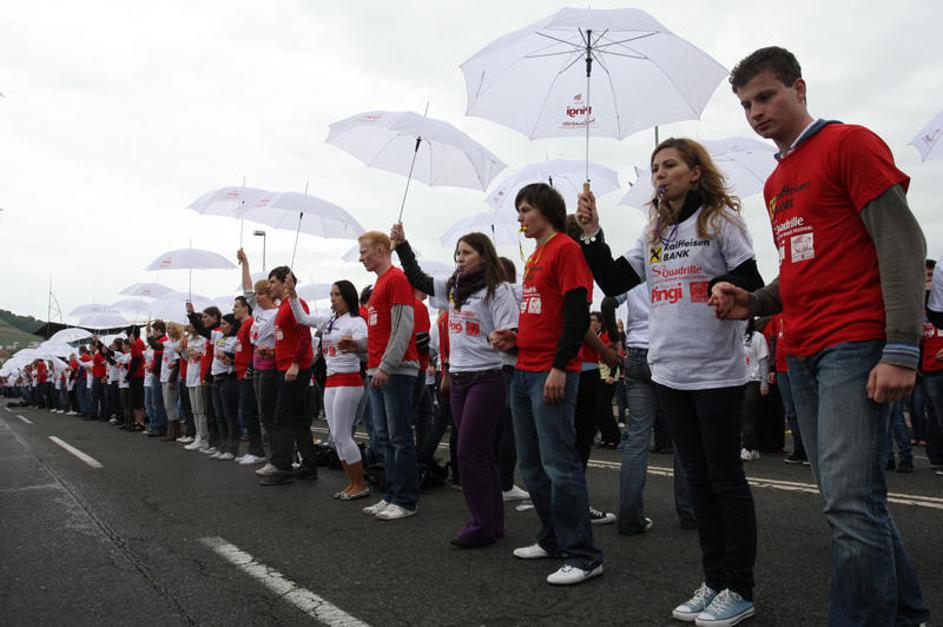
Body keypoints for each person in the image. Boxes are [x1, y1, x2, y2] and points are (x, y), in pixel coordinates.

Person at [712, 46, 928, 625]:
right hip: (801, 351)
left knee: (849, 503)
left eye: (766, 97)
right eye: (746, 105)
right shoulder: (775, 181)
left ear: (799, 89)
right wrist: (754, 301)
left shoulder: (850, 144)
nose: (756, 112)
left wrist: (901, 346)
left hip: (854, 343)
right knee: (851, 501)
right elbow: (801, 268)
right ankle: (905, 613)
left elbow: (902, 244)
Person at [577, 137, 761, 622]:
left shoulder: (720, 221)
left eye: (670, 165)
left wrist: (725, 287)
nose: (659, 174)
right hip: (668, 370)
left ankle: (739, 588)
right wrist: (592, 234)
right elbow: (614, 282)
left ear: (695, 172)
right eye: (655, 167)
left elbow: (753, 281)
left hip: (715, 370)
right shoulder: (654, 231)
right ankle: (714, 580)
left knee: (724, 479)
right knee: (697, 479)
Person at [490, 183, 603, 586]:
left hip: (550, 372)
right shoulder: (536, 256)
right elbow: (542, 315)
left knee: (560, 464)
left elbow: (576, 314)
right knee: (532, 465)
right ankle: (552, 537)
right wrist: (514, 338)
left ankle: (584, 555)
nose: (520, 217)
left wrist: (560, 366)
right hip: (524, 368)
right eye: (519, 210)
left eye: (526, 209)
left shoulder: (566, 249)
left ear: (546, 211)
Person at [392, 225, 519, 547]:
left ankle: (479, 524)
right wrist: (402, 245)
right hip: (460, 379)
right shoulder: (453, 287)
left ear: (484, 255)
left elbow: (512, 332)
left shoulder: (498, 289)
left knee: (467, 451)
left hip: (487, 376)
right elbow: (418, 279)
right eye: (457, 253)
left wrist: (505, 338)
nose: (460, 258)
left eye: (467, 253)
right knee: (481, 452)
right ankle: (492, 522)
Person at [603, 286, 697, 535]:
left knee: (637, 437)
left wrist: (615, 339)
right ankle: (690, 512)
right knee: (683, 435)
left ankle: (629, 517)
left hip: (636, 352)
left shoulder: (633, 270)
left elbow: (608, 302)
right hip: (670, 349)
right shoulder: (676, 266)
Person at [285, 277, 370, 500]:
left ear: (348, 297)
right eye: (331, 294)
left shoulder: (356, 321)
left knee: (342, 435)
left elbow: (366, 347)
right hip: (331, 381)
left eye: (337, 294)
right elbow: (302, 318)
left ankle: (360, 484)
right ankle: (352, 483)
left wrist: (354, 345)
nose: (333, 298)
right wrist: (293, 295)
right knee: (337, 437)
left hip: (349, 380)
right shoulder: (329, 320)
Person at [356, 231, 421, 520]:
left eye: (364, 251)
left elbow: (403, 327)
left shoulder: (396, 279)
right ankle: (392, 494)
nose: (361, 257)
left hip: (395, 370)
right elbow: (381, 331)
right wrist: (359, 346)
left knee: (399, 436)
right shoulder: (379, 284)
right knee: (384, 437)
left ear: (381, 250)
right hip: (378, 368)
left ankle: (406, 499)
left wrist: (386, 366)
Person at [259, 266, 319, 486]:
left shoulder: (296, 304)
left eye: (273, 282)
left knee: (283, 419)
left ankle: (282, 468)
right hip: (286, 366)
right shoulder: (283, 307)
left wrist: (294, 364)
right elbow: (288, 340)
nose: (269, 286)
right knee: (300, 421)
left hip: (294, 370)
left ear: (286, 282)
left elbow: (304, 336)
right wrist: (273, 352)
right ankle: (309, 466)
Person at [740, 319, 769, 462]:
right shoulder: (736, 336)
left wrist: (764, 382)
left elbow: (763, 360)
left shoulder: (758, 337)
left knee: (747, 415)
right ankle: (755, 448)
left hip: (754, 380)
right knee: (743, 416)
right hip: (740, 380)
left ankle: (746, 448)